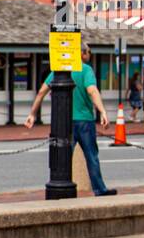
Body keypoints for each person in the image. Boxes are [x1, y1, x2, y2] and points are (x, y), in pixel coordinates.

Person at [24, 43, 117, 196]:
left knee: (64, 157)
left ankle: (60, 188)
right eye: (89, 52)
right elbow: (92, 90)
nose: (90, 55)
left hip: (64, 122)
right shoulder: (86, 69)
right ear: (81, 53)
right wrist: (103, 112)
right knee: (91, 156)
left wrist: (32, 114)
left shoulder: (60, 69)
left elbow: (41, 92)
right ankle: (100, 189)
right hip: (85, 120)